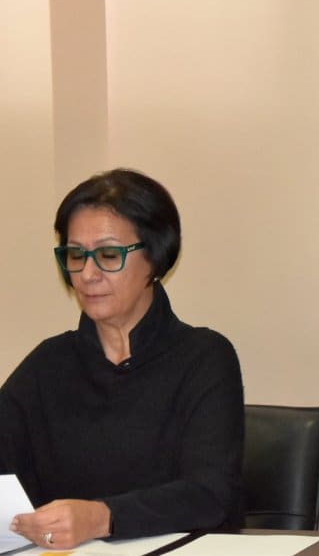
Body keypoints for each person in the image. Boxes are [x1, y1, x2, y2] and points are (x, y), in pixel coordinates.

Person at [1, 169, 244, 550]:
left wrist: (101, 518)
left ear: (155, 257)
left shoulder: (203, 357)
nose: (88, 274)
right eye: (76, 255)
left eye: (109, 255)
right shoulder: (47, 365)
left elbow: (210, 494)